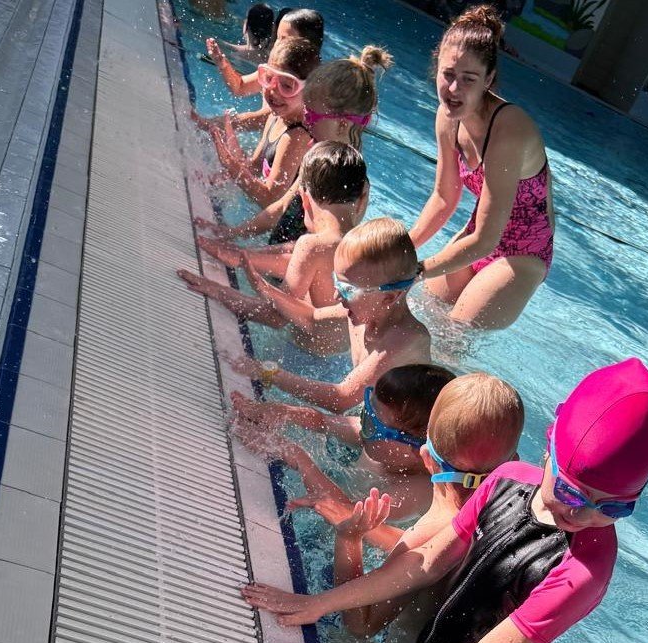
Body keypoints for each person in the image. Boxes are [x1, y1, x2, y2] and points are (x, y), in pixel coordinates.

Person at [242, 358, 648, 643]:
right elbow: (428, 562)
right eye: (571, 492)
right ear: (549, 446)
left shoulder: (583, 573)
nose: (581, 513)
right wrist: (320, 603)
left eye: (613, 507)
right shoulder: (506, 479)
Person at [233, 368, 520, 546]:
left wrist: (297, 457)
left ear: (416, 449)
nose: (362, 424)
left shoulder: (418, 491)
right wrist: (274, 411)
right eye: (366, 411)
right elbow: (320, 420)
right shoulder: (378, 442)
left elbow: (350, 515)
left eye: (372, 422)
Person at [410, 5, 554, 331]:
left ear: (488, 79)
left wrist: (416, 270)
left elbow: (488, 240)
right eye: (448, 74)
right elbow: (444, 198)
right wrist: (403, 249)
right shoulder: (447, 118)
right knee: (421, 314)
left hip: (523, 253)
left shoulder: (508, 130)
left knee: (453, 335)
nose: (454, 89)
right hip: (476, 236)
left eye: (468, 79)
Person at [179, 143, 368, 356]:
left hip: (299, 354)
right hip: (338, 358)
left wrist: (217, 290)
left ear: (304, 197)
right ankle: (241, 256)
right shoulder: (364, 243)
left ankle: (240, 257)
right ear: (362, 199)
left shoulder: (312, 245)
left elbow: (274, 317)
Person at [233, 217, 432, 411]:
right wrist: (265, 289)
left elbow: (340, 399)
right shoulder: (366, 311)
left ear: (389, 297)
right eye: (336, 282)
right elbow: (313, 320)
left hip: (401, 430)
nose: (336, 295)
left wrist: (269, 373)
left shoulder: (405, 340)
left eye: (347, 289)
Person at [195, 48, 392, 244]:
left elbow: (326, 248)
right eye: (305, 112)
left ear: (341, 124)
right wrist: (232, 233)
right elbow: (280, 208)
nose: (305, 121)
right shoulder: (319, 156)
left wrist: (245, 256)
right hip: (281, 254)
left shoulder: (347, 181)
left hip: (296, 261)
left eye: (311, 116)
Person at [205, 38, 318, 210]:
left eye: (287, 86)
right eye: (269, 79)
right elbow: (255, 167)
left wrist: (230, 164)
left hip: (288, 223)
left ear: (309, 91)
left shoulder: (296, 136)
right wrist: (214, 178)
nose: (273, 92)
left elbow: (269, 199)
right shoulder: (276, 116)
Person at [205, 8, 324, 100]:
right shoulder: (274, 67)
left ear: (306, 43)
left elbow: (264, 116)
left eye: (284, 39)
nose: (276, 44)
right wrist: (224, 65)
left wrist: (220, 121)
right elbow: (240, 88)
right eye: (277, 37)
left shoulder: (313, 83)